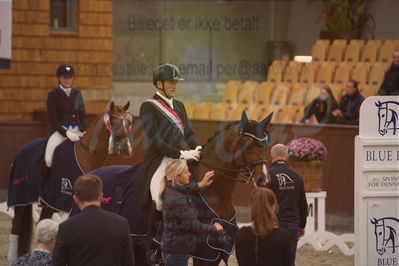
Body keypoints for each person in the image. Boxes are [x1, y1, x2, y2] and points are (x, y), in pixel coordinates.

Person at [138, 63, 202, 262]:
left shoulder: (180, 105)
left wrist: (198, 148)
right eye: (170, 82)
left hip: (181, 156)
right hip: (160, 158)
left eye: (176, 82)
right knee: (158, 199)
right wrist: (180, 153)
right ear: (159, 84)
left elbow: (189, 133)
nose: (174, 86)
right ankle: (151, 247)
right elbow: (155, 140)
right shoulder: (148, 106)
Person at [51, 174, 135, 266]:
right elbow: (128, 263)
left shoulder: (66, 228)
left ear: (76, 198)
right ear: (100, 196)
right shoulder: (121, 223)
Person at [158, 159, 223, 266]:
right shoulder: (178, 201)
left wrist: (200, 185)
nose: (190, 174)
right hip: (177, 253)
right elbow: (194, 226)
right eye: (186, 172)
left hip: (174, 250)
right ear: (176, 177)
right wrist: (215, 228)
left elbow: (185, 188)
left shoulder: (172, 188)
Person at [42, 63, 88, 190]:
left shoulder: (77, 94)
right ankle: (43, 190)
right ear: (59, 78)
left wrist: (85, 130)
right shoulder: (53, 95)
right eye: (65, 77)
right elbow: (52, 119)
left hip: (77, 130)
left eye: (70, 77)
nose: (68, 80)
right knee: (48, 158)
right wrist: (66, 133)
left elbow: (83, 115)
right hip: (60, 131)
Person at [266, 144, 308, 266]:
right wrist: (302, 225)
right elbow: (303, 204)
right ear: (286, 156)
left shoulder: (267, 175)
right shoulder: (297, 176)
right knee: (288, 261)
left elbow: (262, 202)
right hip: (291, 225)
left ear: (272, 156)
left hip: (271, 224)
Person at [235, 187, 292, 266]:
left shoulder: (241, 234)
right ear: (273, 207)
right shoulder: (283, 236)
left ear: (252, 206)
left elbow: (240, 262)